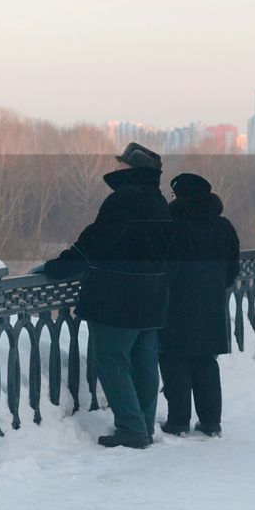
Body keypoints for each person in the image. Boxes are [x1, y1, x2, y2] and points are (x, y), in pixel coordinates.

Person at [40, 142, 171, 449]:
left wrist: (55, 267)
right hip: (152, 296)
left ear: (131, 170)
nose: (115, 167)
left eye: (121, 164)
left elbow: (94, 242)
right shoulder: (159, 201)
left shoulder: (123, 201)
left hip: (119, 298)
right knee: (144, 363)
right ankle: (143, 425)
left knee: (112, 360)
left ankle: (131, 428)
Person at [159, 172, 240, 437]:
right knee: (206, 360)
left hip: (177, 304)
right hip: (211, 304)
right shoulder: (224, 226)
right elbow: (232, 269)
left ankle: (178, 421)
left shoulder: (173, 225)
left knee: (175, 359)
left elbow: (166, 267)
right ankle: (210, 422)